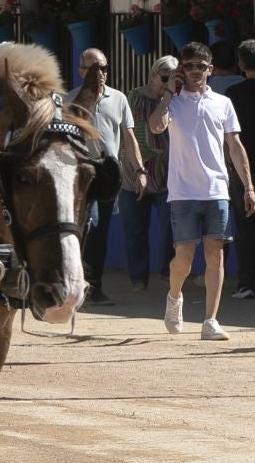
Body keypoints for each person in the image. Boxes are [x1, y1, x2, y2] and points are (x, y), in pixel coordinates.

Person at [151, 41, 255, 339]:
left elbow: (235, 147)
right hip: (182, 192)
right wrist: (170, 91)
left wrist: (248, 186)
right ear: (181, 70)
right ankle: (174, 297)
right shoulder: (173, 102)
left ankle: (210, 321)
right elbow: (156, 126)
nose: (195, 70)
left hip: (217, 190)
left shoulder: (223, 103)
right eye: (189, 65)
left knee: (215, 256)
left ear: (210, 69)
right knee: (183, 258)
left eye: (201, 65)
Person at [69, 48, 144, 306]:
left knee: (99, 232)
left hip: (107, 177)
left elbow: (129, 137)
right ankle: (76, 285)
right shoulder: (69, 101)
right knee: (83, 229)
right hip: (78, 178)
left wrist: (139, 170)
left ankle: (94, 286)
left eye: (103, 68)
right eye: (93, 68)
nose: (100, 73)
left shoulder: (119, 99)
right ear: (81, 71)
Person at [123, 57, 178, 290]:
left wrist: (169, 95)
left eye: (173, 79)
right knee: (135, 230)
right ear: (153, 75)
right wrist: (137, 170)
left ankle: (167, 272)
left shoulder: (176, 99)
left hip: (167, 175)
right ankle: (138, 278)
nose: (167, 83)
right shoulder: (133, 97)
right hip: (134, 173)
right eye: (164, 78)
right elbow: (130, 133)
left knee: (171, 228)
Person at [230, 40, 255, 299]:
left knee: (245, 225)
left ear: (241, 64)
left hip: (243, 168)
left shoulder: (233, 95)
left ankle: (247, 281)